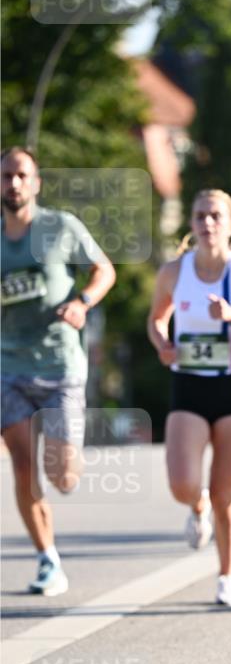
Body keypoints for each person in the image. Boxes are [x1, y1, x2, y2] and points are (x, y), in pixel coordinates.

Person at [148, 188, 231, 606]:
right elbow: (156, 320)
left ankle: (227, 576)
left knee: (225, 493)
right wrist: (162, 343)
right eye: (200, 215)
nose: (207, 224)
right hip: (189, 386)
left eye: (216, 216)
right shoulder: (173, 271)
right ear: (190, 223)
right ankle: (195, 505)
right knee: (182, 484)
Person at [1, 146, 116, 595]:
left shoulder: (60, 227)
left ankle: (70, 451)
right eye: (6, 175)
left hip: (60, 365)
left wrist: (83, 302)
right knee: (23, 468)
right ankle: (47, 559)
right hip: (9, 366)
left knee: (63, 476)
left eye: (21, 175)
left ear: (36, 182)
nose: (13, 183)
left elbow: (103, 269)